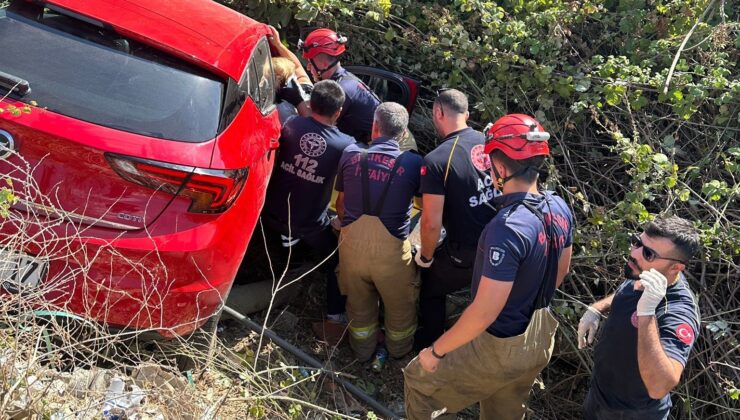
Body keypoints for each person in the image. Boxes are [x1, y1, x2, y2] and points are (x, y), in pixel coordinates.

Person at [404, 114, 574, 420]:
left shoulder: (506, 228)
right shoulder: (558, 206)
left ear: (501, 167)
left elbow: (484, 311)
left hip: (499, 344)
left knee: (420, 384)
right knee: (503, 409)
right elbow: (559, 273)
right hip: (538, 336)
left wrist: (436, 351)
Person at [578, 216, 701, 420]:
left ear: (675, 268)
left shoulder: (678, 311)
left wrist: (647, 312)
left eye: (648, 253)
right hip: (600, 397)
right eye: (637, 241)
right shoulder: (643, 271)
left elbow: (660, 386)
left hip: (634, 413)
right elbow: (628, 291)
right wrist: (598, 308)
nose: (634, 253)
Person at [262, 80, 355, 332]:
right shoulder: (345, 145)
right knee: (337, 262)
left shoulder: (290, 124)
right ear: (338, 112)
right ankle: (335, 317)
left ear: (311, 103)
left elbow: (304, 121)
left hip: (268, 213)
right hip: (308, 225)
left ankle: (284, 253)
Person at [335, 102, 422, 362]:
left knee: (357, 306)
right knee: (401, 309)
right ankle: (397, 353)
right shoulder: (414, 163)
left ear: (374, 127)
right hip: (392, 254)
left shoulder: (351, 154)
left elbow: (340, 205)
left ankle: (362, 353)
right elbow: (423, 206)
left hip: (351, 250)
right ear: (404, 133)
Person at [413, 88, 497, 349]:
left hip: (467, 252)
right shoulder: (488, 141)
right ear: (467, 115)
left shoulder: (437, 160)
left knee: (430, 288)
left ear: (438, 112)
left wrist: (425, 258)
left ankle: (430, 348)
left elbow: (430, 223)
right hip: (499, 242)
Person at [299, 28, 380, 143]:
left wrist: (297, 101)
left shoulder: (341, 90)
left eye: (310, 63)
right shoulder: (341, 79)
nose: (308, 68)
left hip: (393, 145)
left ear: (323, 64)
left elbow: (317, 125)